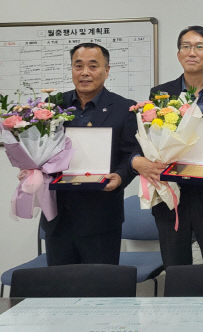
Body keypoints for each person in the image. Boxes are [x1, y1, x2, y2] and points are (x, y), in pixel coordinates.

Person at [132, 26, 203, 267]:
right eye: (186, 46)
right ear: (179, 54)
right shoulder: (161, 93)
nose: (192, 52)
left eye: (199, 47)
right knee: (175, 268)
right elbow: (150, 138)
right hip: (172, 194)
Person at [41, 42, 139, 265]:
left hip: (101, 216)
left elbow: (131, 152)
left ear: (107, 70)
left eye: (93, 66)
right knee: (61, 289)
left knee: (101, 290)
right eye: (78, 66)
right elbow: (40, 149)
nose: (85, 73)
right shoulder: (52, 105)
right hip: (59, 215)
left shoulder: (124, 108)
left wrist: (121, 176)